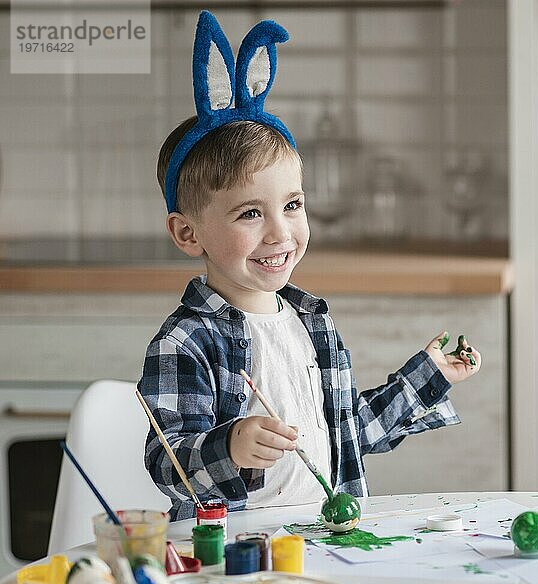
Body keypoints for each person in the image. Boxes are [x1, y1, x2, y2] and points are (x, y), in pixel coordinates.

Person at [137, 12, 481, 521]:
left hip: (325, 542)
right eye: (250, 213)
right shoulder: (185, 341)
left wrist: (429, 375)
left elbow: (348, 434)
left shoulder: (310, 323)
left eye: (292, 205)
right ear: (188, 233)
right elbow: (168, 465)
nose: (280, 233)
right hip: (236, 553)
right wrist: (228, 446)